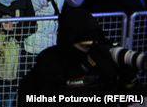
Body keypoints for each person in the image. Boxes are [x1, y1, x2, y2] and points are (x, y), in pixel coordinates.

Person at [18, 9, 147, 101]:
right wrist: (84, 70)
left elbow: (134, 101)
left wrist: (128, 81)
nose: (91, 50)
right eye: (85, 46)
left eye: (94, 45)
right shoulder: (50, 61)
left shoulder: (105, 60)